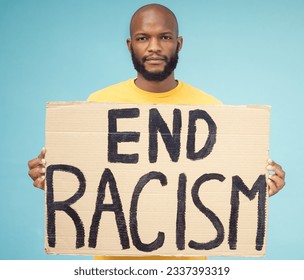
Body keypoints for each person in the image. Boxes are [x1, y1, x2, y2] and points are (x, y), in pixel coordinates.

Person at [28, 4, 285, 259]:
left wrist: (256, 189)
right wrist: (55, 182)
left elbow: (220, 187)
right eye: (143, 38)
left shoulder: (210, 109)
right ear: (130, 45)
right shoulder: (98, 104)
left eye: (165, 37)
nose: (154, 47)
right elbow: (91, 182)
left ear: (179, 43)